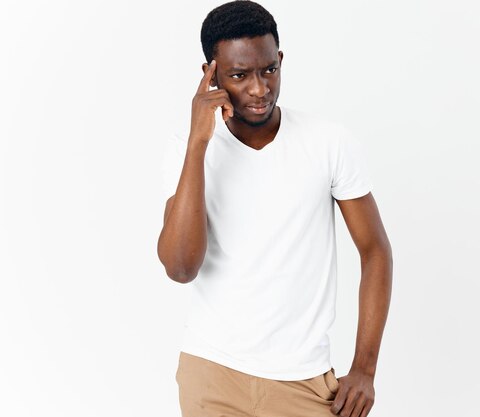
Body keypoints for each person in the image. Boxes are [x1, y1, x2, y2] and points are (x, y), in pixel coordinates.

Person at [157, 1, 393, 416]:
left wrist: (364, 370)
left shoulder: (327, 143)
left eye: (269, 69)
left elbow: (375, 252)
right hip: (212, 376)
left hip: (303, 382)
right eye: (239, 75)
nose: (259, 88)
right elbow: (180, 267)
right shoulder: (188, 150)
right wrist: (198, 144)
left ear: (280, 59)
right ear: (209, 74)